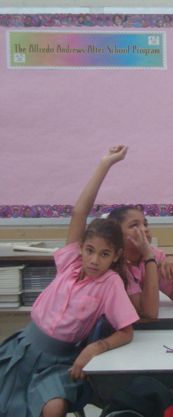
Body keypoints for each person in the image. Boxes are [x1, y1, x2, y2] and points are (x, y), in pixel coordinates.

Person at [0, 145, 139, 417]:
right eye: (90, 250)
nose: (94, 260)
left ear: (116, 256)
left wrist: (94, 348)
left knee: (53, 408)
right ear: (82, 247)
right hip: (24, 347)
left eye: (104, 254)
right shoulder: (70, 262)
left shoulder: (110, 283)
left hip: (59, 360)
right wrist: (105, 164)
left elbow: (126, 331)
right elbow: (79, 212)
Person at [107, 206, 173, 319]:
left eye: (145, 224)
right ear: (116, 234)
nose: (145, 229)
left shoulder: (154, 255)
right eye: (134, 225)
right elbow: (149, 313)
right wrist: (149, 258)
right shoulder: (116, 264)